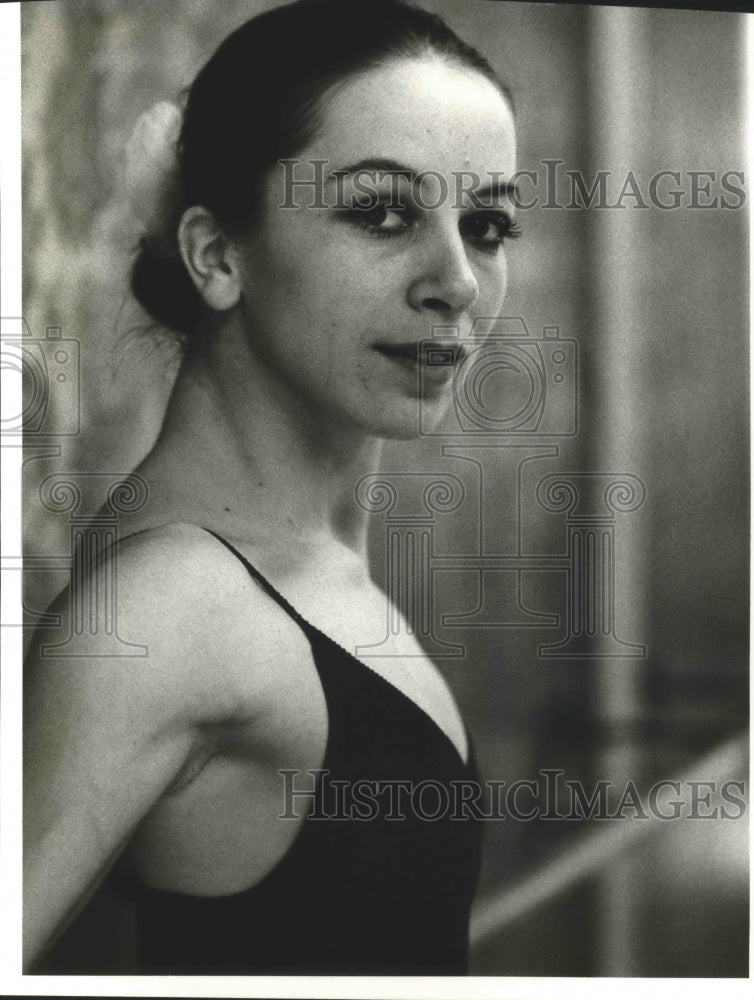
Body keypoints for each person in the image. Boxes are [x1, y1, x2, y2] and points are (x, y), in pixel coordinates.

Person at [24, 0, 519, 976]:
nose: (458, 280)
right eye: (382, 213)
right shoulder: (172, 607)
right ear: (217, 255)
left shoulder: (297, 557)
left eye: (488, 223)